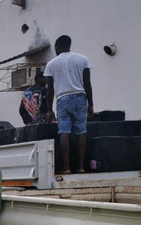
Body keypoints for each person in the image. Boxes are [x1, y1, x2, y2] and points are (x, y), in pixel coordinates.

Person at [44, 35, 93, 174]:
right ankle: (81, 167)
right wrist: (91, 104)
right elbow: (87, 84)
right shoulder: (83, 59)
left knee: (64, 132)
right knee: (81, 131)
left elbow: (50, 90)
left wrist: (49, 110)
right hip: (80, 97)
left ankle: (66, 168)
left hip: (63, 99)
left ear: (58, 46)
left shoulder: (51, 64)